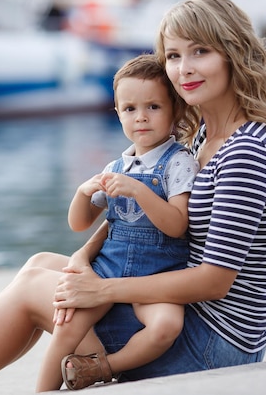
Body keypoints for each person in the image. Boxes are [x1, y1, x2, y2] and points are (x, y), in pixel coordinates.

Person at [0, 0, 266, 395]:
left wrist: (102, 291)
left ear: (233, 53)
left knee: (35, 288)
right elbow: (150, 231)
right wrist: (83, 260)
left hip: (212, 345)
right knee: (43, 265)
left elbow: (215, 280)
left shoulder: (245, 150)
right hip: (189, 318)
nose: (183, 69)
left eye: (201, 51)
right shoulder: (204, 137)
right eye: (174, 56)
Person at [36, 54, 199, 392]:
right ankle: (42, 390)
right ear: (117, 113)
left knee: (165, 327)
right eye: (129, 109)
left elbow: (177, 225)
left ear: (175, 110)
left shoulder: (179, 163)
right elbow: (79, 224)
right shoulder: (116, 166)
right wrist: (83, 193)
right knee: (67, 321)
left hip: (157, 278)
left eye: (153, 107)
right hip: (108, 270)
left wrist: (140, 192)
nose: (141, 117)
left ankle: (103, 368)